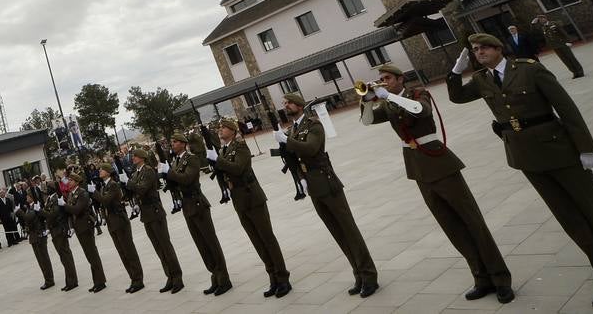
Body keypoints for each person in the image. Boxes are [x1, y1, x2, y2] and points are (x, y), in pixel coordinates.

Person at [448, 33, 593, 311]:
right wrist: (454, 72)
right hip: (526, 158)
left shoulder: (528, 69)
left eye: (484, 47)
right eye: (475, 50)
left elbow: (566, 107)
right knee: (573, 222)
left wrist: (586, 147)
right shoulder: (482, 79)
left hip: (560, 151)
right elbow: (457, 97)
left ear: (498, 48)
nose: (479, 52)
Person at [360, 64, 512, 303]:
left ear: (400, 78)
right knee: (452, 226)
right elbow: (367, 121)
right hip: (417, 167)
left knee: (472, 221)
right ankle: (481, 277)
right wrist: (368, 100)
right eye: (380, 79)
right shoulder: (388, 102)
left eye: (387, 78)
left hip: (438, 160)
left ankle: (500, 278)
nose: (382, 82)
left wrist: (388, 96)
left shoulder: (416, 93)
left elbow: (422, 111)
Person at [280, 91, 378, 298]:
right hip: (313, 187)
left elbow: (312, 148)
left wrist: (286, 141)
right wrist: (301, 178)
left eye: (289, 102)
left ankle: (369, 275)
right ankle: (358, 273)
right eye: (284, 103)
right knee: (338, 233)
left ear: (299, 104)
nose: (286, 105)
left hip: (326, 182)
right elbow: (294, 160)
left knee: (349, 230)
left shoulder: (313, 124)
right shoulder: (292, 130)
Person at [210, 116, 290, 298]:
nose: (220, 130)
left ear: (233, 131)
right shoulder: (224, 150)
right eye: (219, 128)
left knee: (267, 238)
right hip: (239, 199)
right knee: (257, 241)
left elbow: (237, 168)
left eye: (223, 128)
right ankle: (273, 277)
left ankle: (283, 277)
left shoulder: (241, 147)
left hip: (252, 197)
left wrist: (218, 161)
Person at [161, 132, 231, 296]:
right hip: (187, 205)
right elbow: (176, 182)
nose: (172, 144)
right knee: (201, 244)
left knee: (210, 241)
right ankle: (214, 274)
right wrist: (166, 175)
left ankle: (224, 278)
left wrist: (170, 173)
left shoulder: (191, 158)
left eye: (175, 141)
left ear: (183, 144)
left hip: (197, 203)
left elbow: (187, 179)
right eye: (172, 141)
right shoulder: (176, 161)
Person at [125, 143, 183, 293]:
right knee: (158, 248)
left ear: (142, 158)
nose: (133, 157)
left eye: (136, 155)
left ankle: (177, 277)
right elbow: (132, 191)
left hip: (155, 211)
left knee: (165, 246)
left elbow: (142, 189)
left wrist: (129, 183)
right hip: (146, 213)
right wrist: (129, 184)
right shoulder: (136, 172)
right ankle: (169, 276)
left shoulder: (148, 171)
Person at [91, 159, 144, 293]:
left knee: (129, 251)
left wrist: (94, 193)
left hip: (119, 221)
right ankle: (133, 278)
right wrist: (103, 217)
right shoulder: (104, 186)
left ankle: (138, 280)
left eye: (102, 169)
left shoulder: (113, 185)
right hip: (112, 222)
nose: (99, 171)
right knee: (122, 252)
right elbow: (103, 205)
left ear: (108, 172)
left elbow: (106, 201)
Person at [62, 165, 107, 292]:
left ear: (76, 182)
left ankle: (101, 281)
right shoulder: (71, 194)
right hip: (78, 227)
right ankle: (96, 281)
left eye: (71, 180)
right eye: (69, 180)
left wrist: (64, 205)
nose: (69, 182)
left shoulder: (82, 193)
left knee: (92, 254)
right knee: (88, 255)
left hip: (85, 226)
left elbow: (76, 210)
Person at [41, 177, 78, 291]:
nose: (45, 189)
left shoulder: (56, 198)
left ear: (52, 189)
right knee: (63, 256)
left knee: (66, 255)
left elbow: (53, 215)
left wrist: (41, 211)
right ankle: (69, 280)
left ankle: (72, 281)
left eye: (47, 187)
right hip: (54, 231)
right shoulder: (49, 199)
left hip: (59, 230)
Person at [20, 188, 56, 289]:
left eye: (28, 196)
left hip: (39, 235)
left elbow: (29, 218)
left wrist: (19, 212)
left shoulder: (36, 206)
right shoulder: (30, 207)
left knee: (43, 259)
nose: (26, 197)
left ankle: (49, 280)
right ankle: (47, 278)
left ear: (31, 197)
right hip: (34, 236)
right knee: (40, 260)